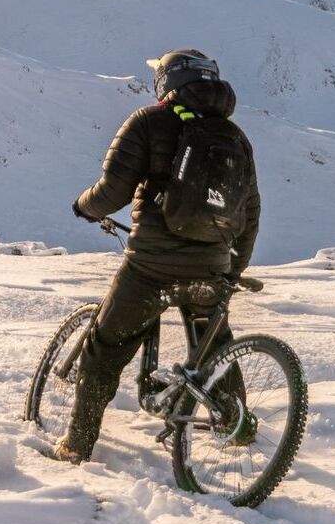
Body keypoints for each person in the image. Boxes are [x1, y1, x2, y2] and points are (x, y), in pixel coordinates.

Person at [55, 49, 260, 464]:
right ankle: (236, 427)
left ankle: (76, 445)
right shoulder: (234, 137)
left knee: (104, 348)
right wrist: (230, 271)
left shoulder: (148, 122)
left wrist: (84, 207)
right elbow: (250, 211)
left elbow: (113, 191)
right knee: (214, 346)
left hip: (151, 266)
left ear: (167, 84)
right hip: (212, 266)